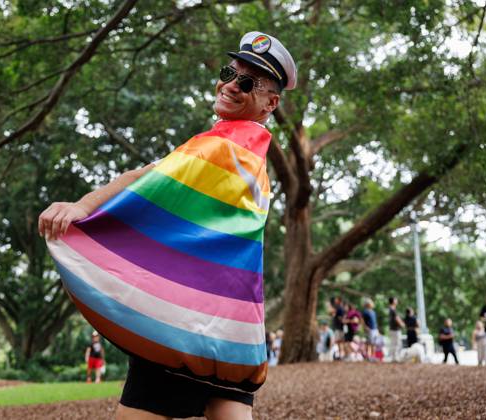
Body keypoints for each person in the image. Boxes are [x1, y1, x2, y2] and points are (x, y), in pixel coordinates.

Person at [39, 31, 297, 420]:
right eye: (229, 72)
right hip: (233, 331)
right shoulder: (247, 155)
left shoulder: (220, 148)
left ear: (270, 103)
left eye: (246, 83)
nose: (229, 85)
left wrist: (84, 209)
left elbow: (144, 181)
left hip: (184, 326)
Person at [388, 297, 405, 362]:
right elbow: (397, 318)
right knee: (397, 343)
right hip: (395, 329)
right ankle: (395, 357)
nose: (397, 301)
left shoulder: (390, 309)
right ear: (393, 301)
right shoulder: (393, 310)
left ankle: (393, 357)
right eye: (396, 300)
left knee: (393, 343)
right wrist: (402, 324)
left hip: (392, 329)